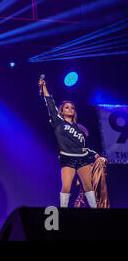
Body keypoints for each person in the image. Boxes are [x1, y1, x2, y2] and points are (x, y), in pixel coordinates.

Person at [39, 78, 98, 208]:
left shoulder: (80, 129)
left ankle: (96, 211)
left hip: (82, 158)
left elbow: (82, 147)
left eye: (72, 108)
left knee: (89, 186)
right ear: (62, 111)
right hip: (67, 156)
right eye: (67, 107)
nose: (70, 109)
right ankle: (63, 213)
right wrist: (44, 88)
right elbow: (50, 103)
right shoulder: (58, 122)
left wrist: (93, 154)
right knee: (66, 186)